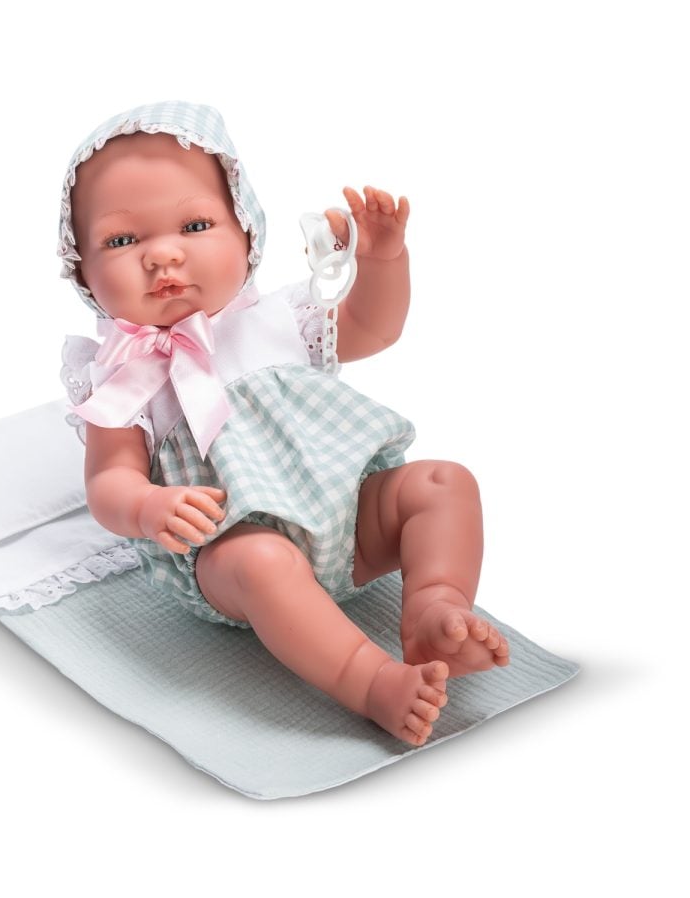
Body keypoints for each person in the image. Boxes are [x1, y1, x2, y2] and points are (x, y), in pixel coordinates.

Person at [58, 102, 508, 746]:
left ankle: (435, 608)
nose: (162, 256)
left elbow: (374, 328)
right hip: (231, 556)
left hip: (350, 521)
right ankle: (372, 682)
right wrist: (148, 506)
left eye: (194, 225)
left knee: (444, 483)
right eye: (122, 241)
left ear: (248, 233)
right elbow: (109, 481)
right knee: (263, 562)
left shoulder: (279, 320)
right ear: (82, 271)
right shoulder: (124, 375)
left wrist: (384, 260)